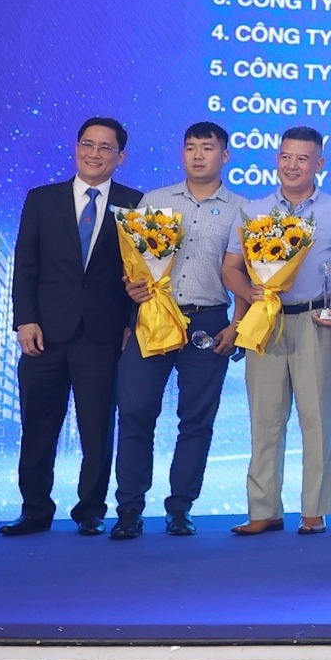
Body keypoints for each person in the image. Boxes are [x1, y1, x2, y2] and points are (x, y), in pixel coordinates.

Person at [109, 121, 254, 538]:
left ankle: (180, 507)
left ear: (224, 155)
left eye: (207, 148)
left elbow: (247, 274)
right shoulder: (154, 201)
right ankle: (129, 509)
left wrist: (237, 326)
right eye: (190, 147)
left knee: (196, 420)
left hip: (209, 321)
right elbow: (133, 264)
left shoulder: (242, 209)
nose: (197, 155)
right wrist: (131, 294)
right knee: (135, 411)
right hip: (154, 316)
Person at [2, 118, 143, 536]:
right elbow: (26, 264)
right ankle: (34, 509)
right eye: (87, 144)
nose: (94, 154)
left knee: (97, 429)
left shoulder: (135, 205)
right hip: (44, 333)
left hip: (103, 334)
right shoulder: (42, 199)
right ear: (76, 147)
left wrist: (130, 323)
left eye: (105, 147)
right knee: (38, 426)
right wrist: (25, 320)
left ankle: (90, 510)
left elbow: (143, 273)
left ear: (120, 156)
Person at [232, 126, 331, 536]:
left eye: (303, 158)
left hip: (317, 322)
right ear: (276, 159)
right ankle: (263, 509)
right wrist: (249, 293)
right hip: (265, 321)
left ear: (319, 164)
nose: (292, 165)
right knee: (265, 419)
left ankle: (314, 509)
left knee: (317, 418)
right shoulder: (254, 210)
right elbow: (231, 268)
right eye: (286, 157)